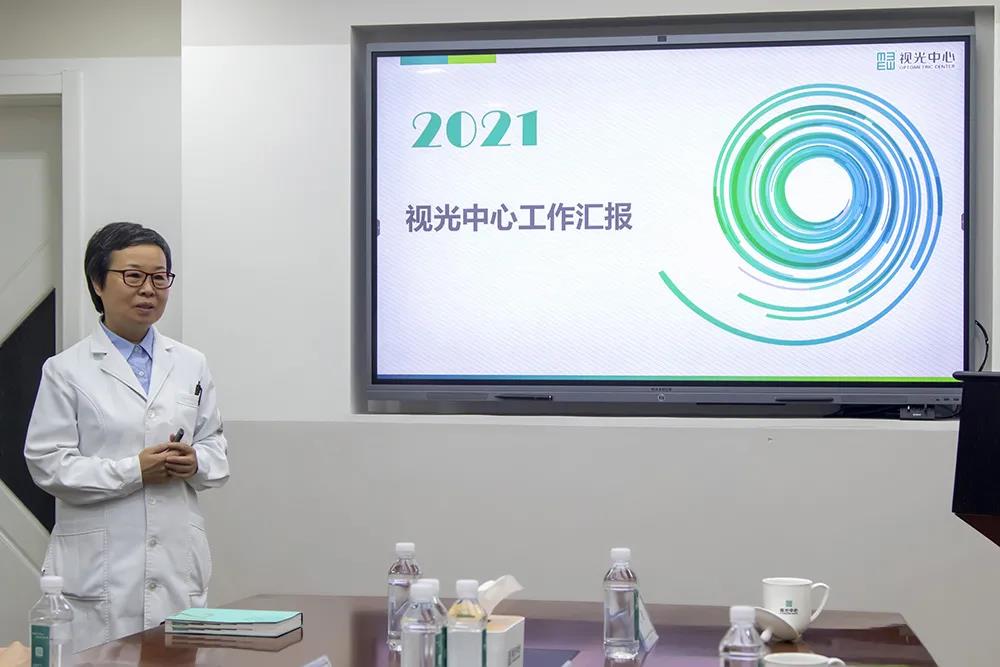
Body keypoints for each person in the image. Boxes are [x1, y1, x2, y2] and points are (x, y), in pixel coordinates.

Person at [24, 222, 229, 650]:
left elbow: (215, 448)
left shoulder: (191, 363)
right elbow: (49, 464)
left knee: (175, 656)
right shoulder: (65, 370)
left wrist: (196, 461)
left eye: (160, 277)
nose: (148, 290)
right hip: (98, 572)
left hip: (176, 564)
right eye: (133, 276)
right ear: (98, 282)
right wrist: (133, 470)